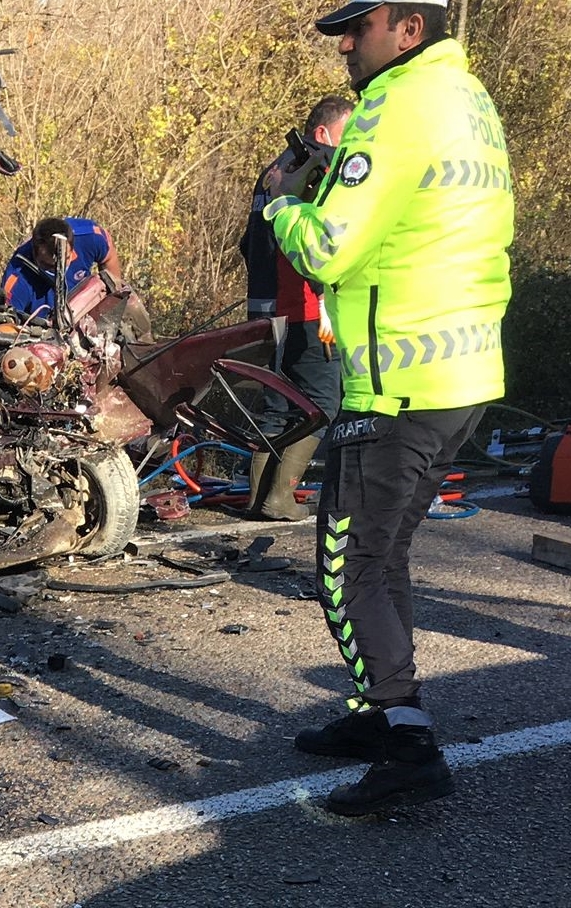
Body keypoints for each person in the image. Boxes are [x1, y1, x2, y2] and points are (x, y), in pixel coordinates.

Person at [264, 0, 513, 815]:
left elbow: (328, 246)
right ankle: (382, 712)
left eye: (357, 26)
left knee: (348, 566)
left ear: (409, 29)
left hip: (396, 380)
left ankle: (406, 745)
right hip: (462, 371)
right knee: (386, 554)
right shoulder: (467, 99)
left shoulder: (395, 107)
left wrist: (279, 203)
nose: (343, 41)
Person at [241, 95, 354, 521]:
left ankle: (258, 499)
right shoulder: (318, 167)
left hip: (263, 310)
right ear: (323, 134)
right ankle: (280, 498)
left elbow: (246, 244)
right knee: (322, 403)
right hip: (308, 309)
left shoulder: (273, 171)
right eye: (348, 134)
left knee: (277, 405)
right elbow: (319, 242)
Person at [0, 216, 122, 319]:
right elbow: (6, 324)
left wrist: (113, 306)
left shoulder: (89, 237)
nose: (58, 269)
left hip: (84, 315)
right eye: (49, 266)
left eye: (65, 260)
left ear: (73, 248)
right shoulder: (17, 278)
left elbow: (109, 256)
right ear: (34, 254)